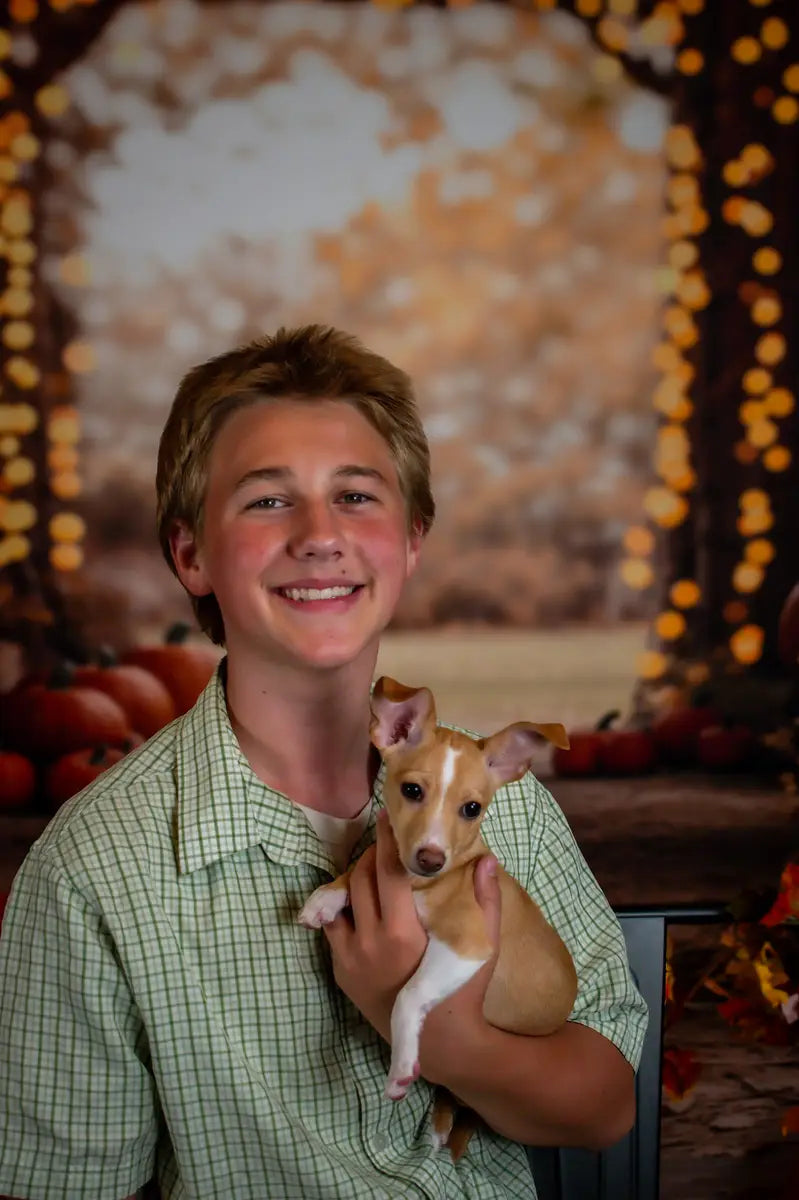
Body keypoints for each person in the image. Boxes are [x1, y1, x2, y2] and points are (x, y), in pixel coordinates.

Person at [0, 325, 648, 1200]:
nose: (319, 535)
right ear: (191, 554)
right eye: (267, 501)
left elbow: (605, 1108)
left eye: (356, 496)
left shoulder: (503, 807)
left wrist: (427, 1025)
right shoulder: (94, 871)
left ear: (411, 542)